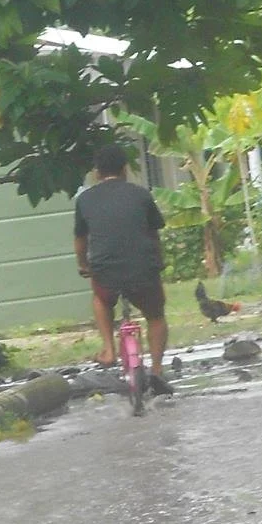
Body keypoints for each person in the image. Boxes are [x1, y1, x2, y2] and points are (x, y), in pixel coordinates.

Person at [74, 142, 170, 389]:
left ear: (96, 172)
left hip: (105, 270)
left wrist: (83, 265)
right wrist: (157, 262)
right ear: (125, 169)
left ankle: (108, 349)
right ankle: (157, 370)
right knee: (156, 315)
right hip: (142, 269)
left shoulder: (85, 200)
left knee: (101, 299)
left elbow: (80, 239)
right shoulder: (141, 194)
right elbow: (153, 233)